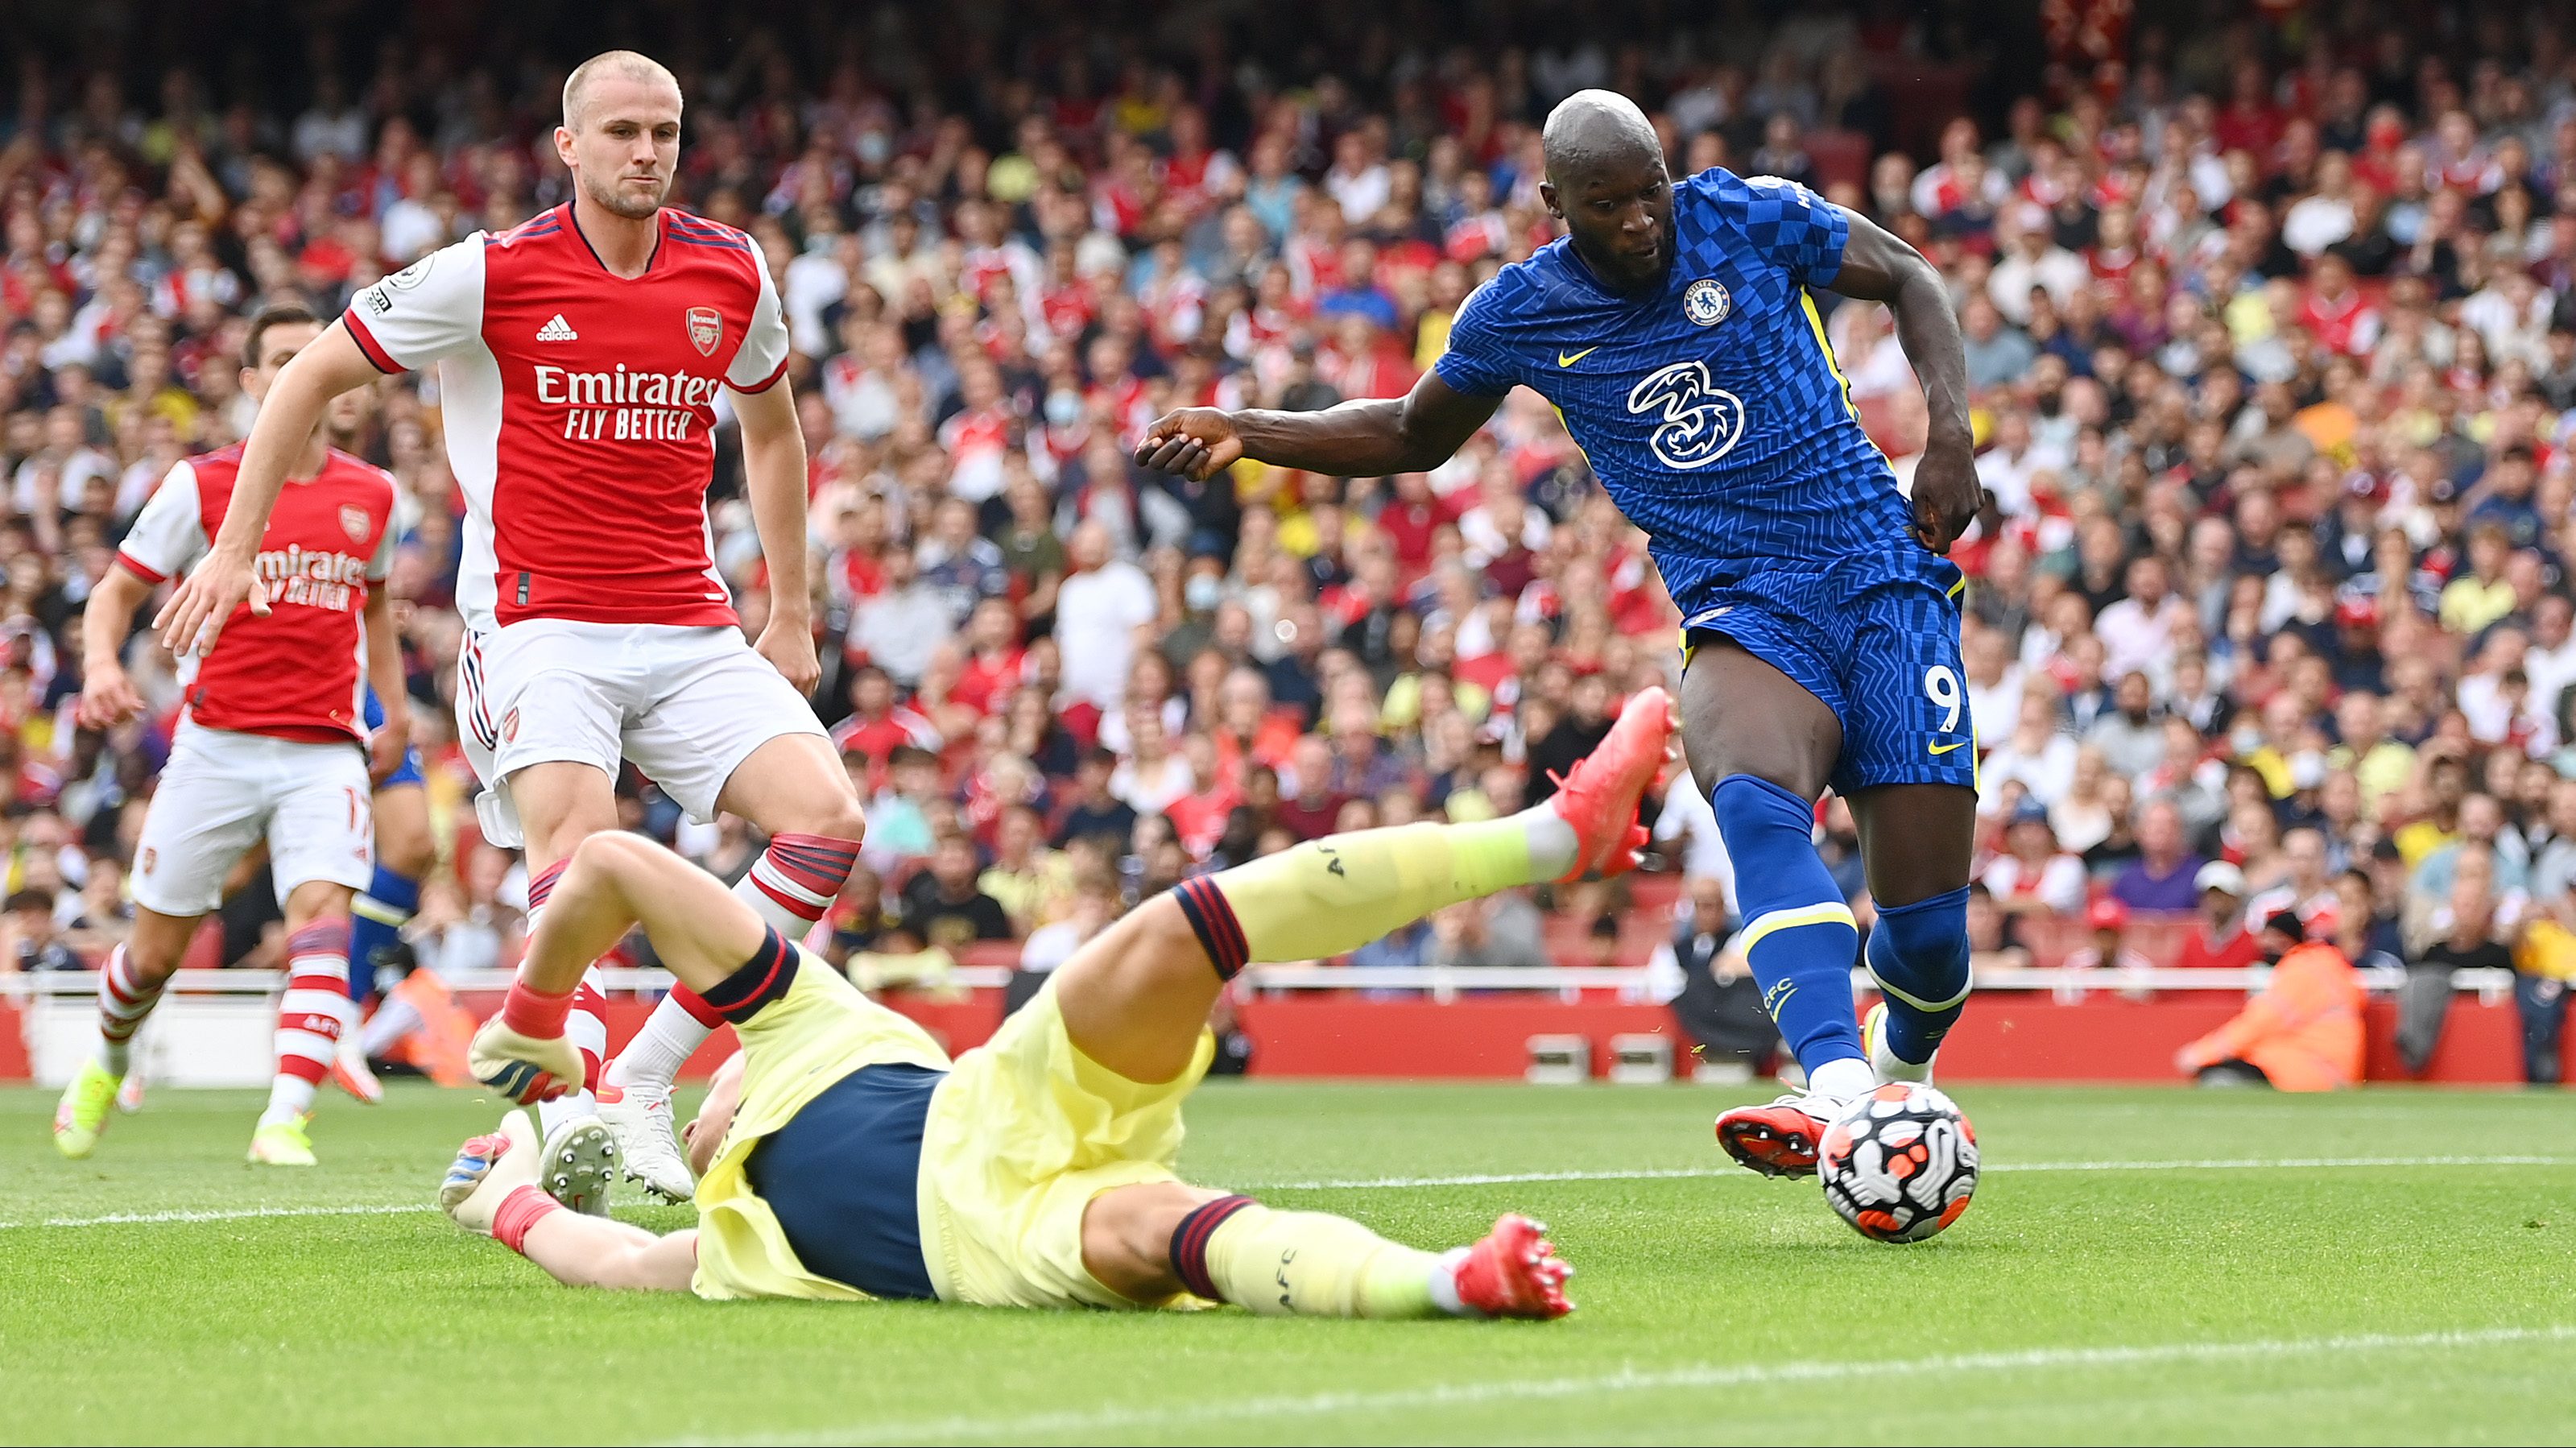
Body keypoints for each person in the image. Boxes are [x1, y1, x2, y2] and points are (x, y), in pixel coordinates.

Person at [1135, 89, 1981, 1180]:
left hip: (1881, 576)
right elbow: (1410, 432)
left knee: (1928, 944)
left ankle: (1897, 1058)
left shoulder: (1748, 215)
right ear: (1554, 203)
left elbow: (1907, 273)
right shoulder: (1521, 311)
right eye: (1607, 204)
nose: (1639, 221)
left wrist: (1948, 436)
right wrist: (1246, 430)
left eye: (1649, 192)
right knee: (1749, 794)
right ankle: (1838, 1087)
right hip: (1743, 600)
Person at [147, 52, 871, 1204]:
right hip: (539, 622)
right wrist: (235, 548)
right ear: (569, 147)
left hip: (687, 620)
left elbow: (774, 431)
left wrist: (791, 611)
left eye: (664, 130)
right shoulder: (488, 271)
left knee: (827, 822)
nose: (647, 150)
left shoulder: (731, 267)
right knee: (580, 843)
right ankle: (567, 1104)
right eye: (622, 131)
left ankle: (642, 1075)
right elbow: (305, 378)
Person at [441, 688, 1677, 1315]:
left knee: (1169, 933)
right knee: (1159, 1232)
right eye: (696, 1112)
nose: (702, 1106)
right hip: (991, 1237)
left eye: (704, 1084)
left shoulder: (808, 1023)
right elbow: (613, 1257)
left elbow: (615, 866)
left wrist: (538, 1014)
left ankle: (1547, 835)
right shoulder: (731, 1240)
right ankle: (1454, 1281)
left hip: (1005, 1098)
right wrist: (509, 1201)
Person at [55, 305, 406, 1166]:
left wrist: (392, 709)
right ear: (251, 382)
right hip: (217, 743)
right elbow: (115, 593)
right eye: (280, 359)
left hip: (325, 746)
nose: (299, 371)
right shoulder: (201, 485)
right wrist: (100, 665)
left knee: (323, 916)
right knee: (154, 953)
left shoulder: (375, 494)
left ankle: (284, 1118)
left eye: (310, 356)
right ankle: (107, 1060)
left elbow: (376, 607)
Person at [2174, 912, 2367, 1090]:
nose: (2264, 944)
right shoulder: (2323, 965)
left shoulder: (2301, 973)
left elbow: (2259, 1024)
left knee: (2218, 1078)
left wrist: (2200, 1055)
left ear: (2285, 940)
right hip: (2325, 1070)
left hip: (2311, 1071)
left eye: (2271, 937)